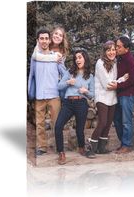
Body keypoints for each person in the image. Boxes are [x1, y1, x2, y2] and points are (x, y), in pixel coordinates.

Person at [85, 40, 128, 158]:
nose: (111, 52)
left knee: (108, 123)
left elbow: (112, 84)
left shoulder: (114, 63)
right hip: (102, 97)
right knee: (102, 122)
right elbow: (107, 85)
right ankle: (90, 147)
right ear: (104, 51)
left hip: (112, 97)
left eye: (113, 49)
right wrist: (122, 79)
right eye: (109, 50)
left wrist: (118, 81)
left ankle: (101, 147)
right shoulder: (100, 63)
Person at [28, 28, 67, 156]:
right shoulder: (35, 58)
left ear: (49, 40)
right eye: (41, 38)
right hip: (39, 94)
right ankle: (42, 147)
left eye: (46, 38)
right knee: (40, 123)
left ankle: (58, 146)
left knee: (57, 123)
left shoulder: (56, 57)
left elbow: (64, 73)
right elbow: (31, 75)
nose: (44, 41)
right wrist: (30, 91)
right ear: (38, 41)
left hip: (54, 94)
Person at [54, 49, 94, 165]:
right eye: (76, 58)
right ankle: (61, 152)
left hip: (81, 103)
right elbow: (59, 86)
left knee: (80, 129)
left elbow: (92, 94)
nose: (78, 60)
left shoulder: (90, 76)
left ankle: (81, 148)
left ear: (85, 59)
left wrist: (85, 91)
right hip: (68, 103)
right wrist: (68, 82)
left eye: (80, 57)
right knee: (58, 126)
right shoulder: (69, 72)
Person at [108, 36, 134, 154]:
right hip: (119, 94)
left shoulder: (130, 60)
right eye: (116, 46)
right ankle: (123, 143)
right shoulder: (118, 59)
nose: (116, 48)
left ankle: (127, 145)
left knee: (126, 120)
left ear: (127, 48)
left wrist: (118, 86)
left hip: (128, 94)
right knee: (117, 120)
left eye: (119, 46)